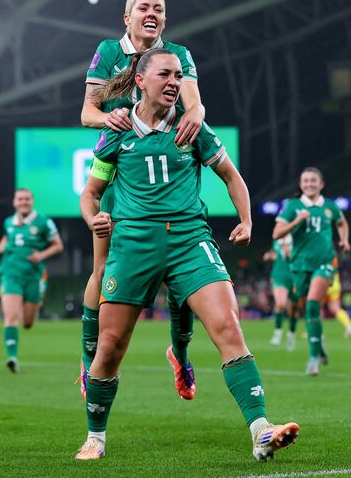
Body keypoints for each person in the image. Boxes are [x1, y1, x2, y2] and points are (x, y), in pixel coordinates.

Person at [75, 49, 298, 461]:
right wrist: (94, 219)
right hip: (134, 246)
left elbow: (232, 176)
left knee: (229, 327)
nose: (175, 81)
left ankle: (260, 429)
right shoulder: (117, 131)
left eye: (179, 74)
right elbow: (90, 194)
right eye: (166, 74)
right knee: (109, 346)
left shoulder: (192, 126)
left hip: (189, 242)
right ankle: (95, 436)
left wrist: (247, 222)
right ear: (141, 81)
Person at [79, 0, 205, 400]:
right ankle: (89, 362)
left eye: (159, 8)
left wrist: (197, 113)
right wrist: (110, 120)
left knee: (181, 283)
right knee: (101, 271)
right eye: (143, 8)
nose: (152, 13)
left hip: (168, 175)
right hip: (124, 179)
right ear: (127, 17)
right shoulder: (108, 51)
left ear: (165, 19)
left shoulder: (177, 56)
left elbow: (194, 105)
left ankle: (181, 355)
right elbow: (87, 112)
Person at [273, 168, 350, 376]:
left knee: (313, 305)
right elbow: (277, 233)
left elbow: (342, 223)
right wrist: (297, 221)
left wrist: (344, 239)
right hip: (299, 265)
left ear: (321, 184)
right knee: (307, 309)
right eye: (305, 180)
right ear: (300, 184)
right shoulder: (292, 206)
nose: (309, 184)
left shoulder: (330, 207)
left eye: (313, 180)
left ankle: (313, 358)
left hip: (324, 262)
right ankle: (319, 345)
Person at [0, 189, 64, 373]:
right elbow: (6, 239)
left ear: (32, 201)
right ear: (14, 202)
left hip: (33, 275)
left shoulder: (44, 222)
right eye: (20, 199)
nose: (23, 202)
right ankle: (12, 357)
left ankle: (35, 298)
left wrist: (41, 255)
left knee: (28, 323)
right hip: (10, 273)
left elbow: (58, 245)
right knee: (11, 317)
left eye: (27, 199)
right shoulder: (9, 222)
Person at [264, 236, 300, 350]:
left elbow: (299, 258)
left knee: (293, 311)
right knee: (280, 304)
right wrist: (269, 256)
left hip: (294, 276)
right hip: (279, 275)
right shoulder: (277, 240)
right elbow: (275, 255)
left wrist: (289, 252)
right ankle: (277, 332)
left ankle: (291, 335)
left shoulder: (297, 238)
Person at [325, 273, 351, 339]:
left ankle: (313, 332)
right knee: (335, 309)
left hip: (325, 282)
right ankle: (349, 326)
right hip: (335, 284)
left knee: (315, 306)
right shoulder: (334, 262)